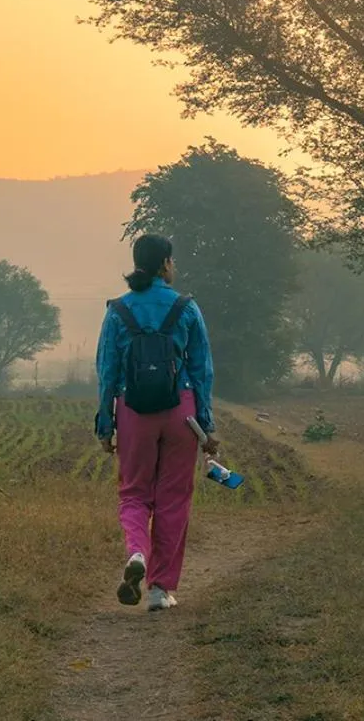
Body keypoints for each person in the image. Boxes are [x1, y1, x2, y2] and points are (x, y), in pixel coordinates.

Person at [95, 233, 218, 612]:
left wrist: (105, 424)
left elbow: (107, 370)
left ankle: (137, 553)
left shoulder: (118, 310)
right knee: (173, 499)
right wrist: (207, 425)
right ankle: (160, 590)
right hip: (181, 411)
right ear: (165, 263)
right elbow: (202, 370)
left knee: (134, 493)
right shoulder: (186, 308)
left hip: (133, 410)